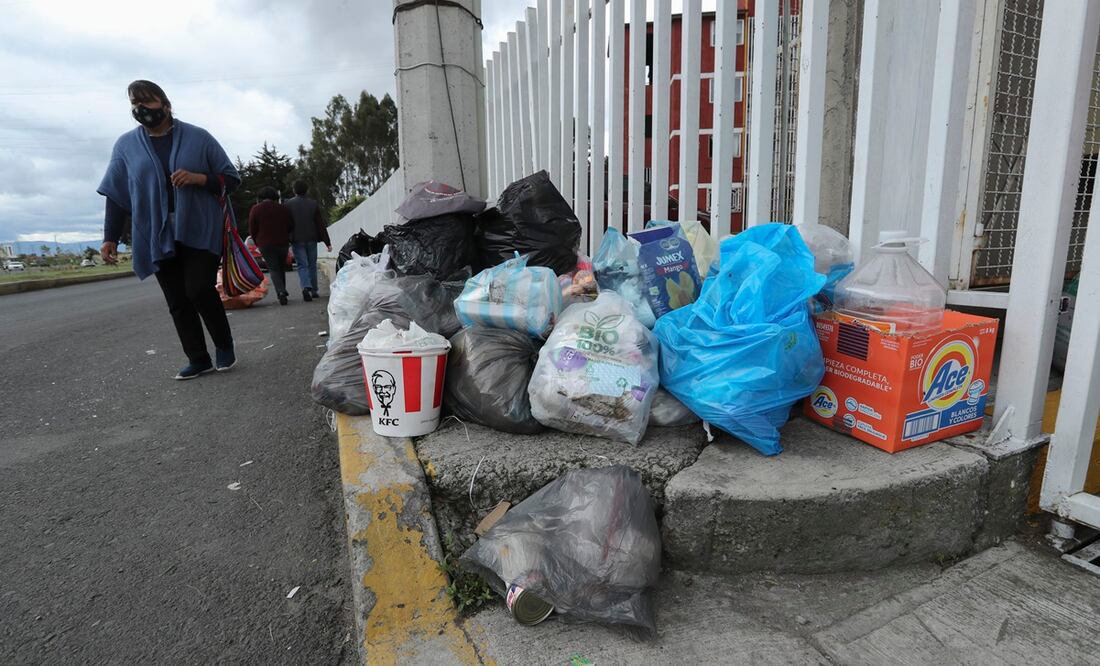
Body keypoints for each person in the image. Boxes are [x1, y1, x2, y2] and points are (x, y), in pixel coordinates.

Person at [98, 80, 240, 380]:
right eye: (135, 104)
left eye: (147, 102)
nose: (141, 109)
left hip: (200, 227)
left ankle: (224, 345)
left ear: (165, 104)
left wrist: (200, 179)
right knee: (176, 299)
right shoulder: (125, 146)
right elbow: (116, 193)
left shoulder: (198, 137)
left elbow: (231, 178)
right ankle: (197, 358)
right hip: (155, 233)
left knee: (199, 289)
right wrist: (109, 237)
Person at [284, 180, 331, 301]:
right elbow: (320, 224)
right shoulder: (313, 204)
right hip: (312, 238)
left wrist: (287, 238)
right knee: (312, 265)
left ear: (294, 190)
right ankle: (314, 290)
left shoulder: (288, 204)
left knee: (302, 265)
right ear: (307, 190)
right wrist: (327, 242)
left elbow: (286, 224)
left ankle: (306, 287)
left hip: (297, 239)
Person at [248, 186, 294, 305]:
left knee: (273, 268)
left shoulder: (256, 209)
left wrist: (256, 241)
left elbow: (252, 228)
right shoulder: (282, 209)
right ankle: (282, 289)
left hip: (265, 243)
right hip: (282, 242)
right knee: (281, 267)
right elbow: (290, 224)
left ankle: (281, 292)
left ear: (261, 197)